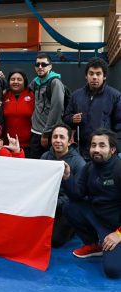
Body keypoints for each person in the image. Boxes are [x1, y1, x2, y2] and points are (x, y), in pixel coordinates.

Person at [62, 128, 121, 278]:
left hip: (117, 227)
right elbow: (77, 195)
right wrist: (68, 177)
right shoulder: (89, 167)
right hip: (99, 219)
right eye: (93, 145)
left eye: (102, 145)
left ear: (112, 149)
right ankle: (95, 245)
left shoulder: (119, 169)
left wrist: (119, 234)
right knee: (70, 207)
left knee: (113, 271)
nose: (96, 149)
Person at [63, 57, 121, 159]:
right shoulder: (76, 95)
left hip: (104, 153)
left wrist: (114, 148)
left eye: (98, 74)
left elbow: (119, 125)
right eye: (91, 73)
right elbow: (66, 118)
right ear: (86, 76)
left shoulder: (115, 96)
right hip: (81, 152)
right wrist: (72, 119)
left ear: (104, 76)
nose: (94, 77)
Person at [41, 124, 85, 248]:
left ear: (70, 141)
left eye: (62, 137)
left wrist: (55, 202)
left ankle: (74, 227)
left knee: (54, 240)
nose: (58, 140)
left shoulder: (79, 163)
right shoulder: (45, 157)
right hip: (47, 205)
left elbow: (78, 194)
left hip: (66, 207)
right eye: (55, 137)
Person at [29, 53, 65, 159]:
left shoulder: (55, 83)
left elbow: (57, 109)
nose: (40, 67)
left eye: (44, 64)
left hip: (47, 134)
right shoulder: (35, 82)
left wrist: (46, 133)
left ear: (50, 66)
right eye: (37, 64)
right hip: (35, 132)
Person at [3, 69, 34, 158]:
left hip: (28, 145)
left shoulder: (32, 95)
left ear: (24, 81)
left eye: (19, 79)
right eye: (13, 79)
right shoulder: (4, 95)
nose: (16, 82)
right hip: (8, 145)